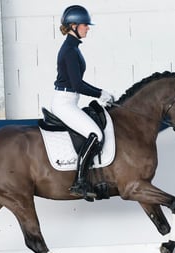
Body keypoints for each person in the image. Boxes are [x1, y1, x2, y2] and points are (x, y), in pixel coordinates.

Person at [50, 5, 114, 200]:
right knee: (95, 134)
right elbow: (77, 84)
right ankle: (79, 182)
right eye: (85, 25)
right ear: (73, 26)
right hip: (64, 103)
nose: (88, 28)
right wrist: (100, 93)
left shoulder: (73, 47)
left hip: (70, 101)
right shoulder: (69, 50)